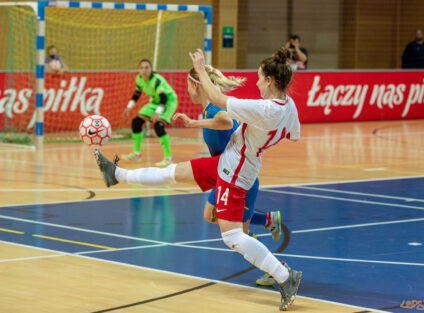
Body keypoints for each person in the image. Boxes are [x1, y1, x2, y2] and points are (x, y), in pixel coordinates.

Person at [95, 47, 301, 310]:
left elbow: (219, 100)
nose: (258, 82)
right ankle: (117, 174)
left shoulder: (265, 108)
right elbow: (293, 134)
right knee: (173, 172)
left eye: (260, 78)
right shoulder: (288, 106)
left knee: (233, 237)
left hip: (235, 171)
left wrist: (201, 68)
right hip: (232, 161)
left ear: (271, 81)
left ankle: (285, 277)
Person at [174, 65, 283, 286]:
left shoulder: (214, 109)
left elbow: (226, 121)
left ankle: (278, 268)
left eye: (187, 85)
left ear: (196, 85)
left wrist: (193, 123)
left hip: (239, 180)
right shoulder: (208, 110)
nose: (186, 90)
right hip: (224, 176)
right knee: (209, 215)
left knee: (239, 237)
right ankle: (267, 219)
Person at [122, 59, 178, 166]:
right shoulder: (139, 79)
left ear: (151, 69)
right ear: (138, 70)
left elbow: (164, 98)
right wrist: (129, 107)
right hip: (156, 101)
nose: (144, 70)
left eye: (147, 67)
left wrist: (157, 113)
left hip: (168, 101)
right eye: (141, 68)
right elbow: (137, 94)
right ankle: (136, 154)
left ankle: (168, 159)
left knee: (158, 125)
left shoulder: (156, 80)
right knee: (137, 122)